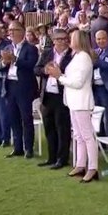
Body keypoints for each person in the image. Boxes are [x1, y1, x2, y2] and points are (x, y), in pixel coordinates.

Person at [46, 30, 99, 183]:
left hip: (81, 101)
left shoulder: (84, 57)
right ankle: (81, 164)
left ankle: (92, 168)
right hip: (73, 101)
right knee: (78, 135)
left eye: (72, 37)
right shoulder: (76, 56)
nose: (69, 39)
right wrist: (60, 74)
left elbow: (77, 82)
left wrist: (59, 76)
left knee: (87, 136)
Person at [0, 20, 39, 159]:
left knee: (26, 118)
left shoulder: (30, 48)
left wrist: (15, 59)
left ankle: (29, 148)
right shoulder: (8, 47)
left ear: (22, 31)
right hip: (10, 86)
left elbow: (31, 65)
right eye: (9, 30)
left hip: (24, 88)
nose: (11, 33)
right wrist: (4, 62)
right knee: (13, 118)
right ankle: (18, 147)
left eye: (14, 30)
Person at [34, 28, 73, 169]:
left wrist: (59, 73)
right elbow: (36, 69)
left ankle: (62, 159)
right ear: (54, 40)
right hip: (47, 95)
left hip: (62, 95)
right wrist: (45, 70)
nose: (62, 42)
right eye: (59, 39)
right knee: (49, 127)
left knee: (62, 128)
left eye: (64, 39)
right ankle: (51, 157)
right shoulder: (47, 53)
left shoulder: (71, 55)